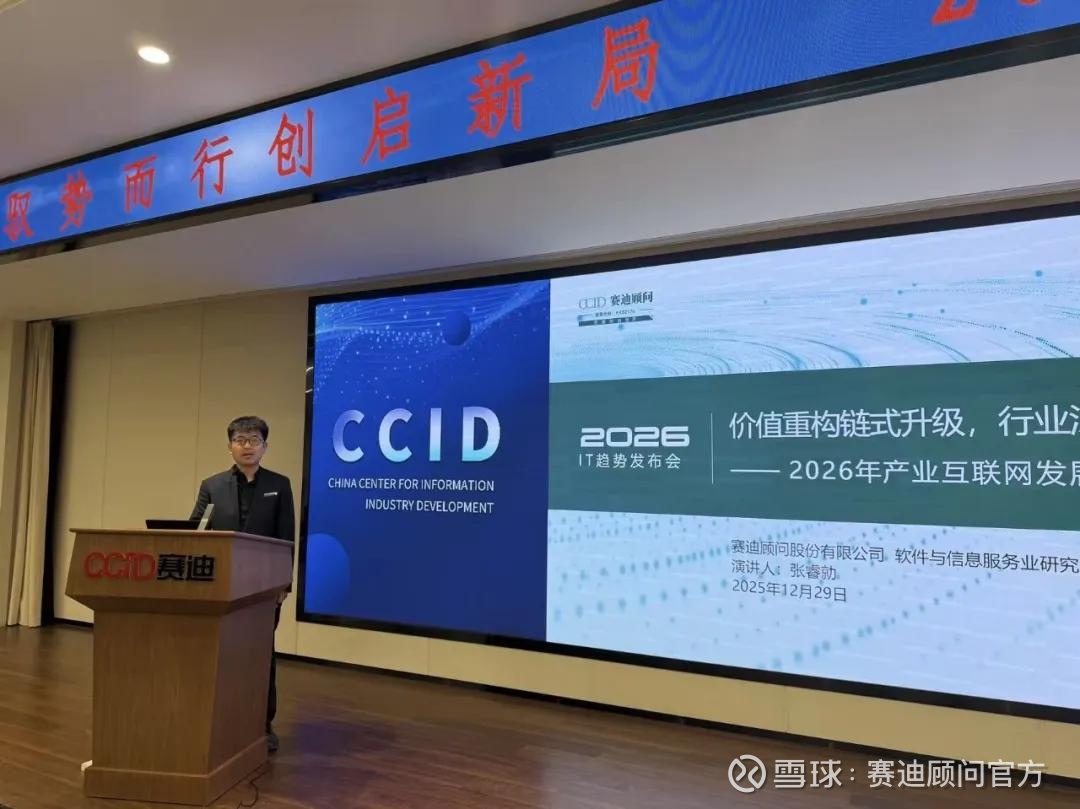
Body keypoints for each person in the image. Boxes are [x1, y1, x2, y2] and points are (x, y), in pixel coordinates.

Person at [190, 416, 295, 754]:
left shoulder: (279, 485)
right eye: (240, 440)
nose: (247, 446)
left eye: (254, 440)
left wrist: (284, 584)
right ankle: (222, 721)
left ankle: (262, 724)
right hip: (221, 585)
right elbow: (195, 531)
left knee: (262, 655)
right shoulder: (212, 485)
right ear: (230, 446)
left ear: (265, 446)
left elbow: (286, 537)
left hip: (264, 588)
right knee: (222, 653)